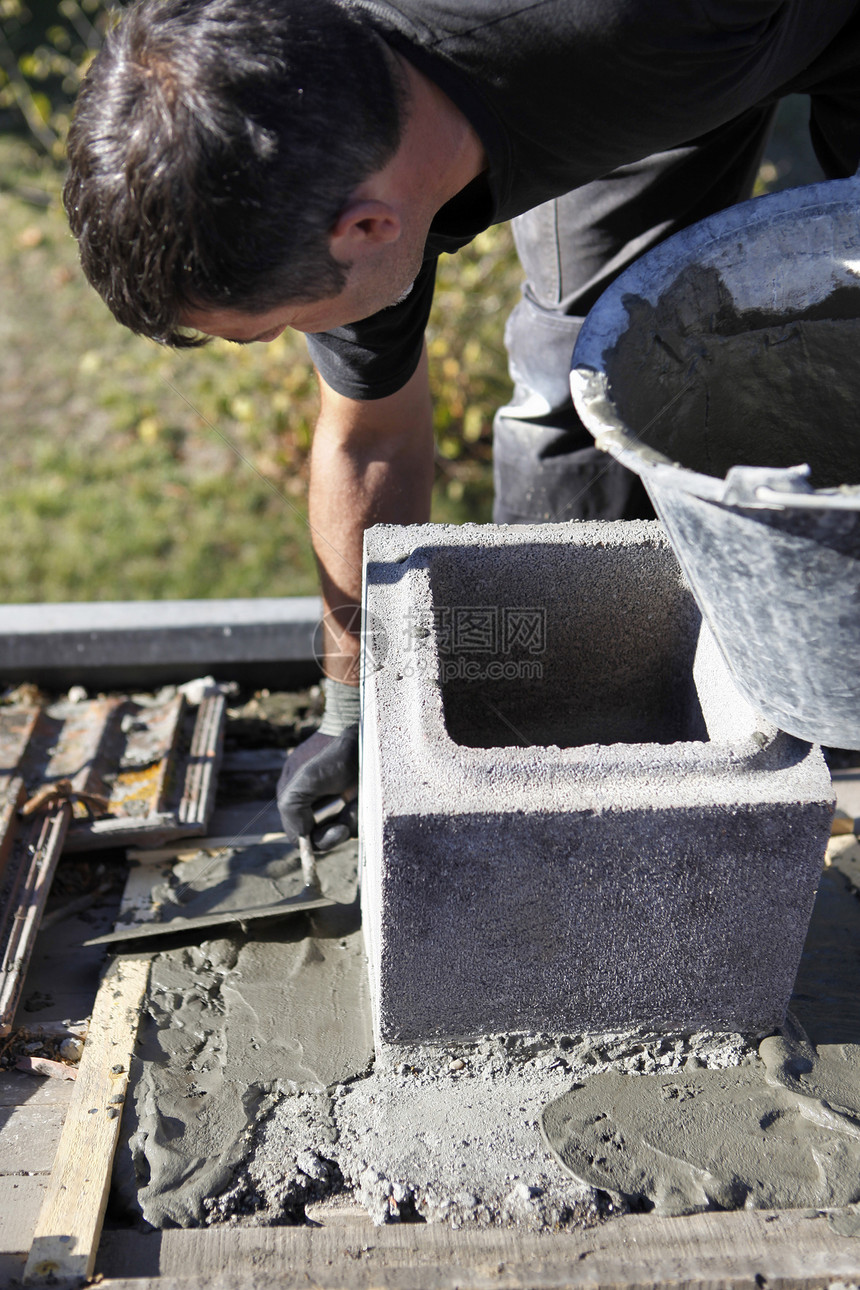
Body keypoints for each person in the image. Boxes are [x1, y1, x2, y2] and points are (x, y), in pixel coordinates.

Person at [64, 0, 860, 849]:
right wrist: (357, 705)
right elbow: (369, 439)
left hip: (738, 30)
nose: (302, 340)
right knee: (585, 384)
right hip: (658, 72)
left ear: (369, 228)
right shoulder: (306, 130)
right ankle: (575, 750)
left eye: (278, 324)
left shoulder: (644, 27)